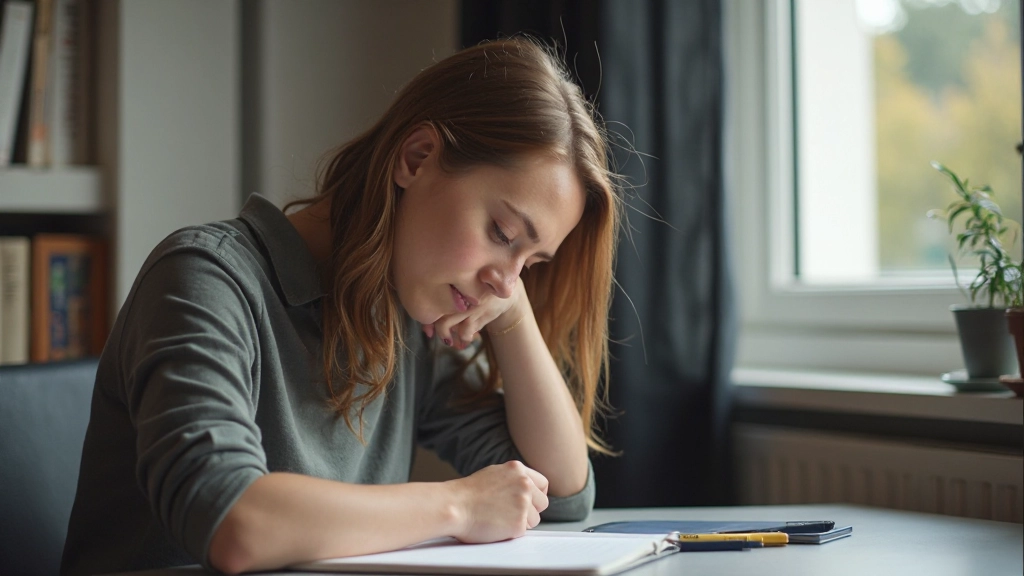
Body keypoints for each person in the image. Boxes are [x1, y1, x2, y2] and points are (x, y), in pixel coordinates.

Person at [61, 37, 621, 575]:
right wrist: (460, 505)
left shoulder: (404, 315)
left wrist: (515, 312)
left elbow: (560, 490)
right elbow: (232, 520)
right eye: (501, 231)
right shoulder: (205, 277)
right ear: (418, 158)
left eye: (532, 262)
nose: (504, 282)